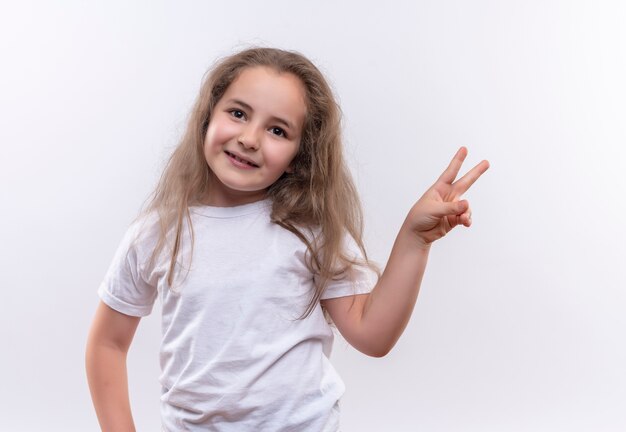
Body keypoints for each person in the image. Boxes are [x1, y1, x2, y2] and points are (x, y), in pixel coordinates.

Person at [85, 47, 489, 432]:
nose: (249, 138)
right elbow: (107, 344)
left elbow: (373, 335)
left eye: (277, 130)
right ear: (207, 117)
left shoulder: (311, 231)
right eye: (238, 113)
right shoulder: (156, 233)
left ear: (301, 154)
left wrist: (414, 241)